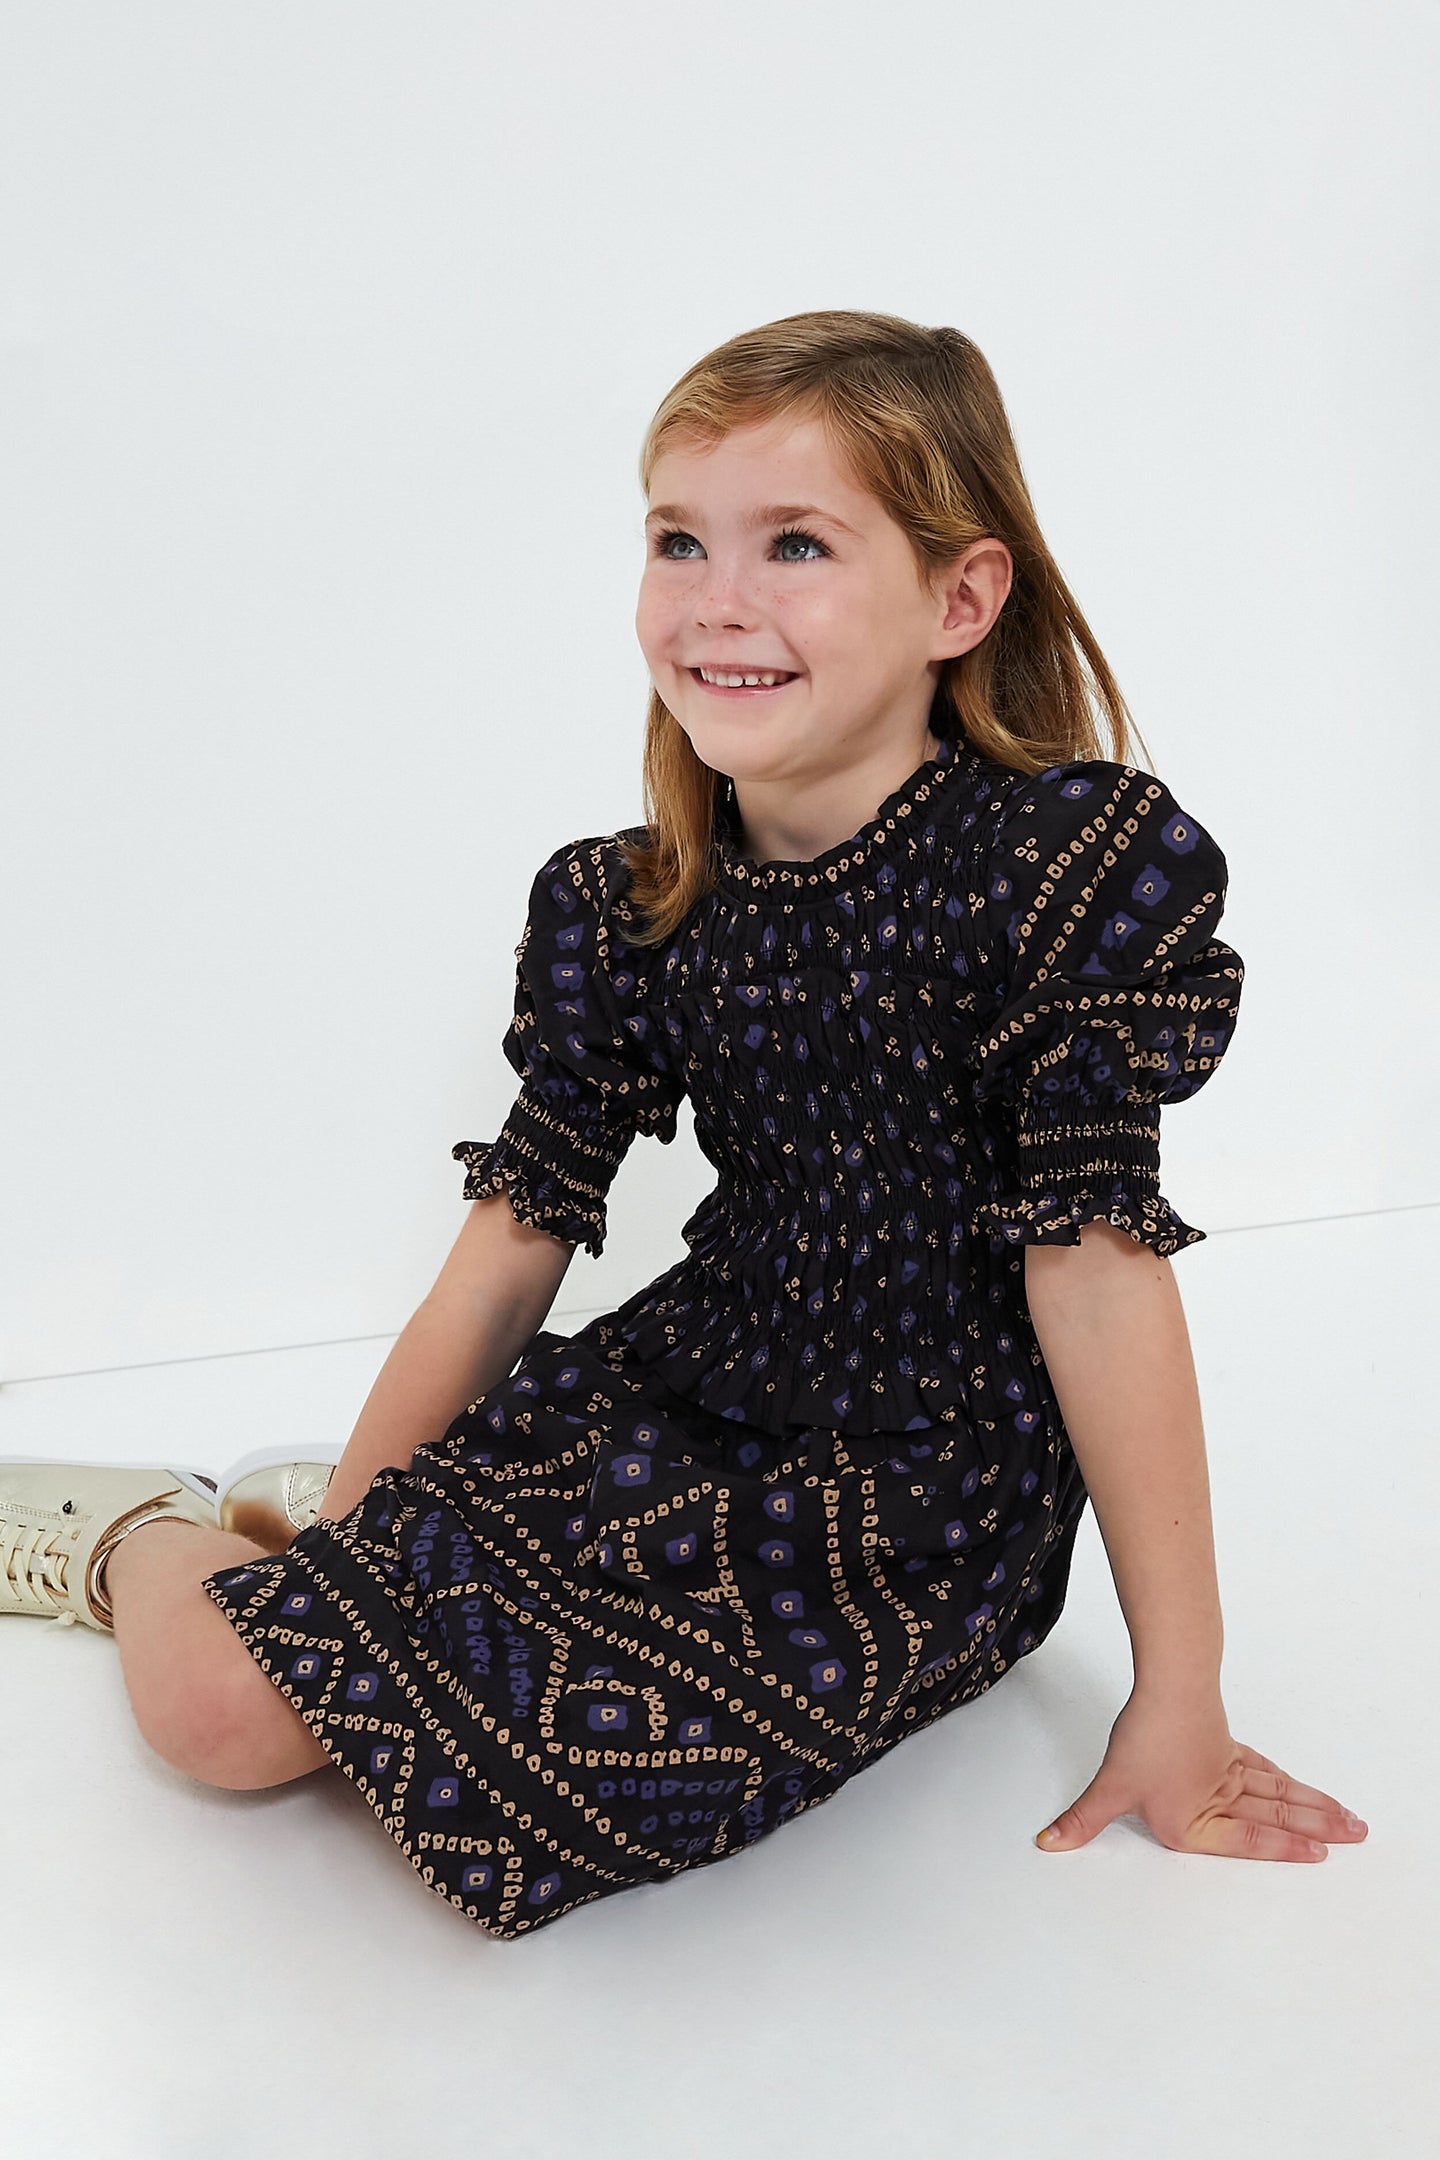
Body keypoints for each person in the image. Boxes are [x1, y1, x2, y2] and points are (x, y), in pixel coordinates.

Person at [1, 309, 1367, 1938]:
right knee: (225, 1722)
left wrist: (1181, 1695)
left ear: (959, 598)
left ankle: (241, 1545)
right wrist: (349, 1572)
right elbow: (509, 1256)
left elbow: (1097, 1276)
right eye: (677, 541)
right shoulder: (636, 906)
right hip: (674, 1407)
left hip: (921, 1501)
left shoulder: (1048, 875)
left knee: (565, 1793)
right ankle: (141, 1535)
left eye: (796, 544)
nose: (718, 599)